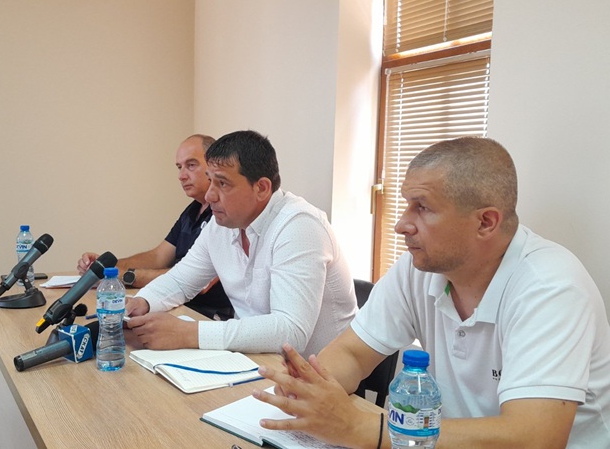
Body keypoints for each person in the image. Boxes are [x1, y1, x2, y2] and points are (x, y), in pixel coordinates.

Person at [253, 137, 610, 448]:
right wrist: (311, 390)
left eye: (421, 207)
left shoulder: (551, 287)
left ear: (485, 222)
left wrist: (362, 428)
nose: (401, 224)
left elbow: (535, 438)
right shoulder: (419, 268)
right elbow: (354, 352)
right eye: (407, 204)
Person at [125, 130, 358, 357]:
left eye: (222, 183)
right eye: (210, 181)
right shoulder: (221, 224)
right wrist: (143, 301)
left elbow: (291, 330)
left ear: (261, 188)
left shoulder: (299, 226)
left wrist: (189, 333)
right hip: (253, 359)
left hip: (319, 373)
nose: (210, 195)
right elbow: (181, 280)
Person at [78, 134, 233, 320]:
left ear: (213, 166)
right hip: (174, 303)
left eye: (191, 165)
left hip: (205, 314)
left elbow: (196, 280)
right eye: (179, 167)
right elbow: (158, 256)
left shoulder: (225, 216)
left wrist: (124, 276)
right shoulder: (193, 210)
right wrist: (107, 267)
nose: (182, 176)